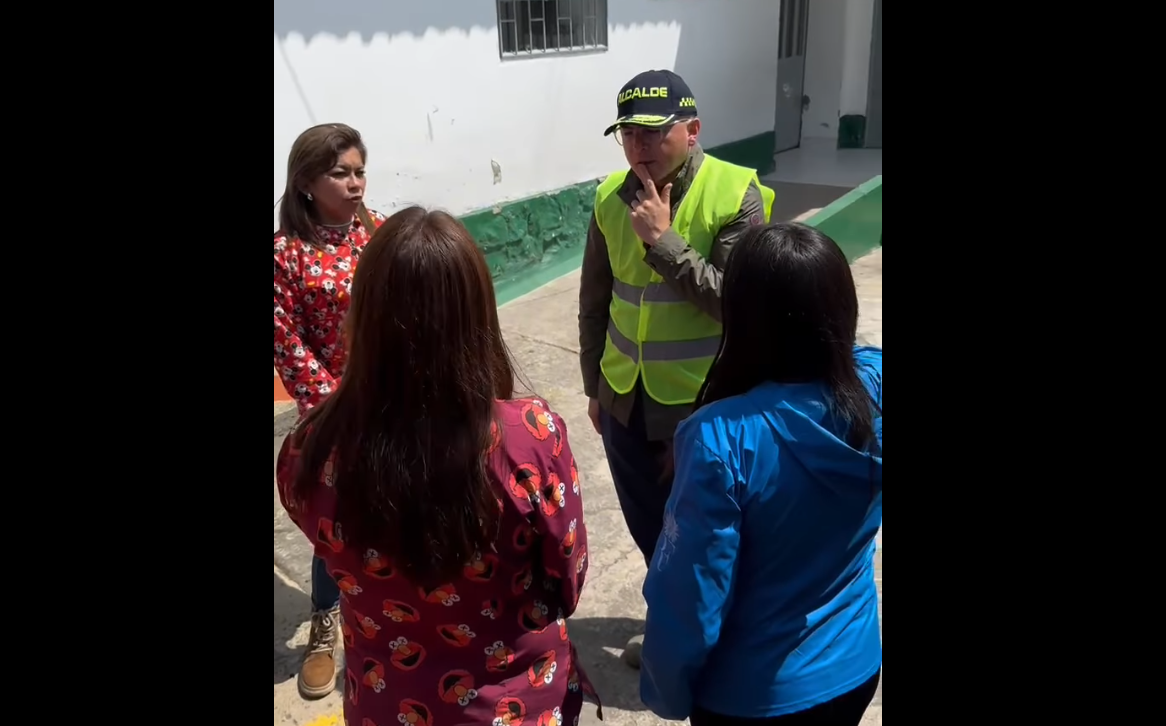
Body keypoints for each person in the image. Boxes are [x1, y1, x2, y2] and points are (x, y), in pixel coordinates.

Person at [276, 207, 601, 725]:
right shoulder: (530, 439)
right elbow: (568, 580)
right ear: (477, 314)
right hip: (515, 705)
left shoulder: (307, 451)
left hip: (385, 702)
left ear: (363, 313)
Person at [638, 223, 883, 726]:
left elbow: (689, 598)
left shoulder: (719, 439)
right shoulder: (874, 387)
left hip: (753, 696)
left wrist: (665, 692)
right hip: (856, 665)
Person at [577, 69, 776, 667]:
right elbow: (595, 299)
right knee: (649, 527)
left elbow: (740, 303)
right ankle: (674, 622)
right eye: (628, 134)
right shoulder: (611, 195)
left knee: (709, 530)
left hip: (704, 402)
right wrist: (596, 386)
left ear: (692, 130)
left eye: (653, 133)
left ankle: (721, 632)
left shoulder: (736, 192)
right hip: (624, 398)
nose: (638, 147)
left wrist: (664, 243)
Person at [273, 122, 386, 698]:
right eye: (340, 173)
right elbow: (288, 343)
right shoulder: (285, 254)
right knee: (333, 526)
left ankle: (392, 609)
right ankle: (326, 622)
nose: (355, 183)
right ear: (306, 182)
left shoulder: (380, 234)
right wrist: (338, 410)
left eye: (360, 170)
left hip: (394, 404)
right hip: (331, 417)